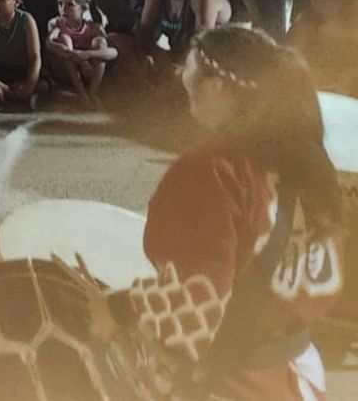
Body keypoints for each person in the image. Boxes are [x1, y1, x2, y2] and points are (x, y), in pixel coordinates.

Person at [86, 26, 343, 401]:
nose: (181, 76)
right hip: (298, 373)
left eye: (189, 68)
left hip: (232, 383)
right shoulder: (309, 162)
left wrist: (118, 308)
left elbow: (197, 306)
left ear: (217, 86)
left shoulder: (211, 170)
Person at [43, 0, 115, 101]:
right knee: (65, 39)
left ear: (84, 8)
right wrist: (81, 61)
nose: (63, 9)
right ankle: (81, 92)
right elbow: (49, 44)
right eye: (60, 4)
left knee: (100, 42)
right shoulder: (56, 23)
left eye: (70, 5)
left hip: (88, 74)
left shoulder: (93, 27)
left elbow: (113, 52)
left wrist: (87, 55)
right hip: (64, 73)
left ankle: (93, 91)